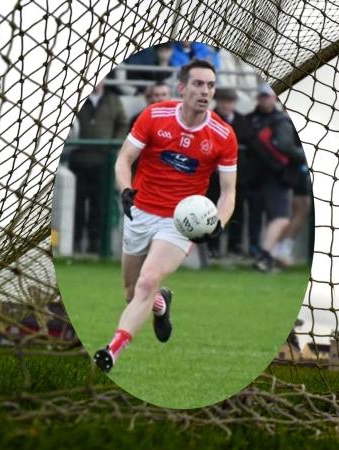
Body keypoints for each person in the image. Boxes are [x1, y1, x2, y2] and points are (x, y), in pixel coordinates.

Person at [93, 59, 238, 373]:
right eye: (198, 84)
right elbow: (124, 160)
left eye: (210, 85)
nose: (205, 91)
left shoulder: (223, 135)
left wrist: (218, 224)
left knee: (147, 282)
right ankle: (161, 304)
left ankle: (112, 352)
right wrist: (125, 189)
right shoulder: (154, 115)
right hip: (140, 211)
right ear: (181, 87)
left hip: (179, 223)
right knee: (132, 292)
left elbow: (228, 193)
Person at [246, 81, 307, 272]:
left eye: (267, 96)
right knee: (280, 218)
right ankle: (265, 256)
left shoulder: (253, 119)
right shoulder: (280, 121)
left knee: (274, 218)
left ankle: (267, 254)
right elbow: (285, 146)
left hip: (263, 176)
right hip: (273, 176)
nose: (265, 100)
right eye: (263, 96)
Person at [68, 79, 128, 254]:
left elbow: (122, 123)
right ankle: (76, 241)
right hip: (78, 161)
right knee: (77, 205)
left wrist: (114, 144)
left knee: (99, 205)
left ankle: (96, 244)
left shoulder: (113, 100)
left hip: (103, 162)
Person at [203, 87, 253, 258]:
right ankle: (212, 246)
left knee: (237, 211)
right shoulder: (209, 119)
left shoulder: (242, 121)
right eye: (224, 101)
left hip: (238, 175)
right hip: (213, 176)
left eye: (230, 101)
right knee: (211, 210)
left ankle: (235, 246)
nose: (227, 104)